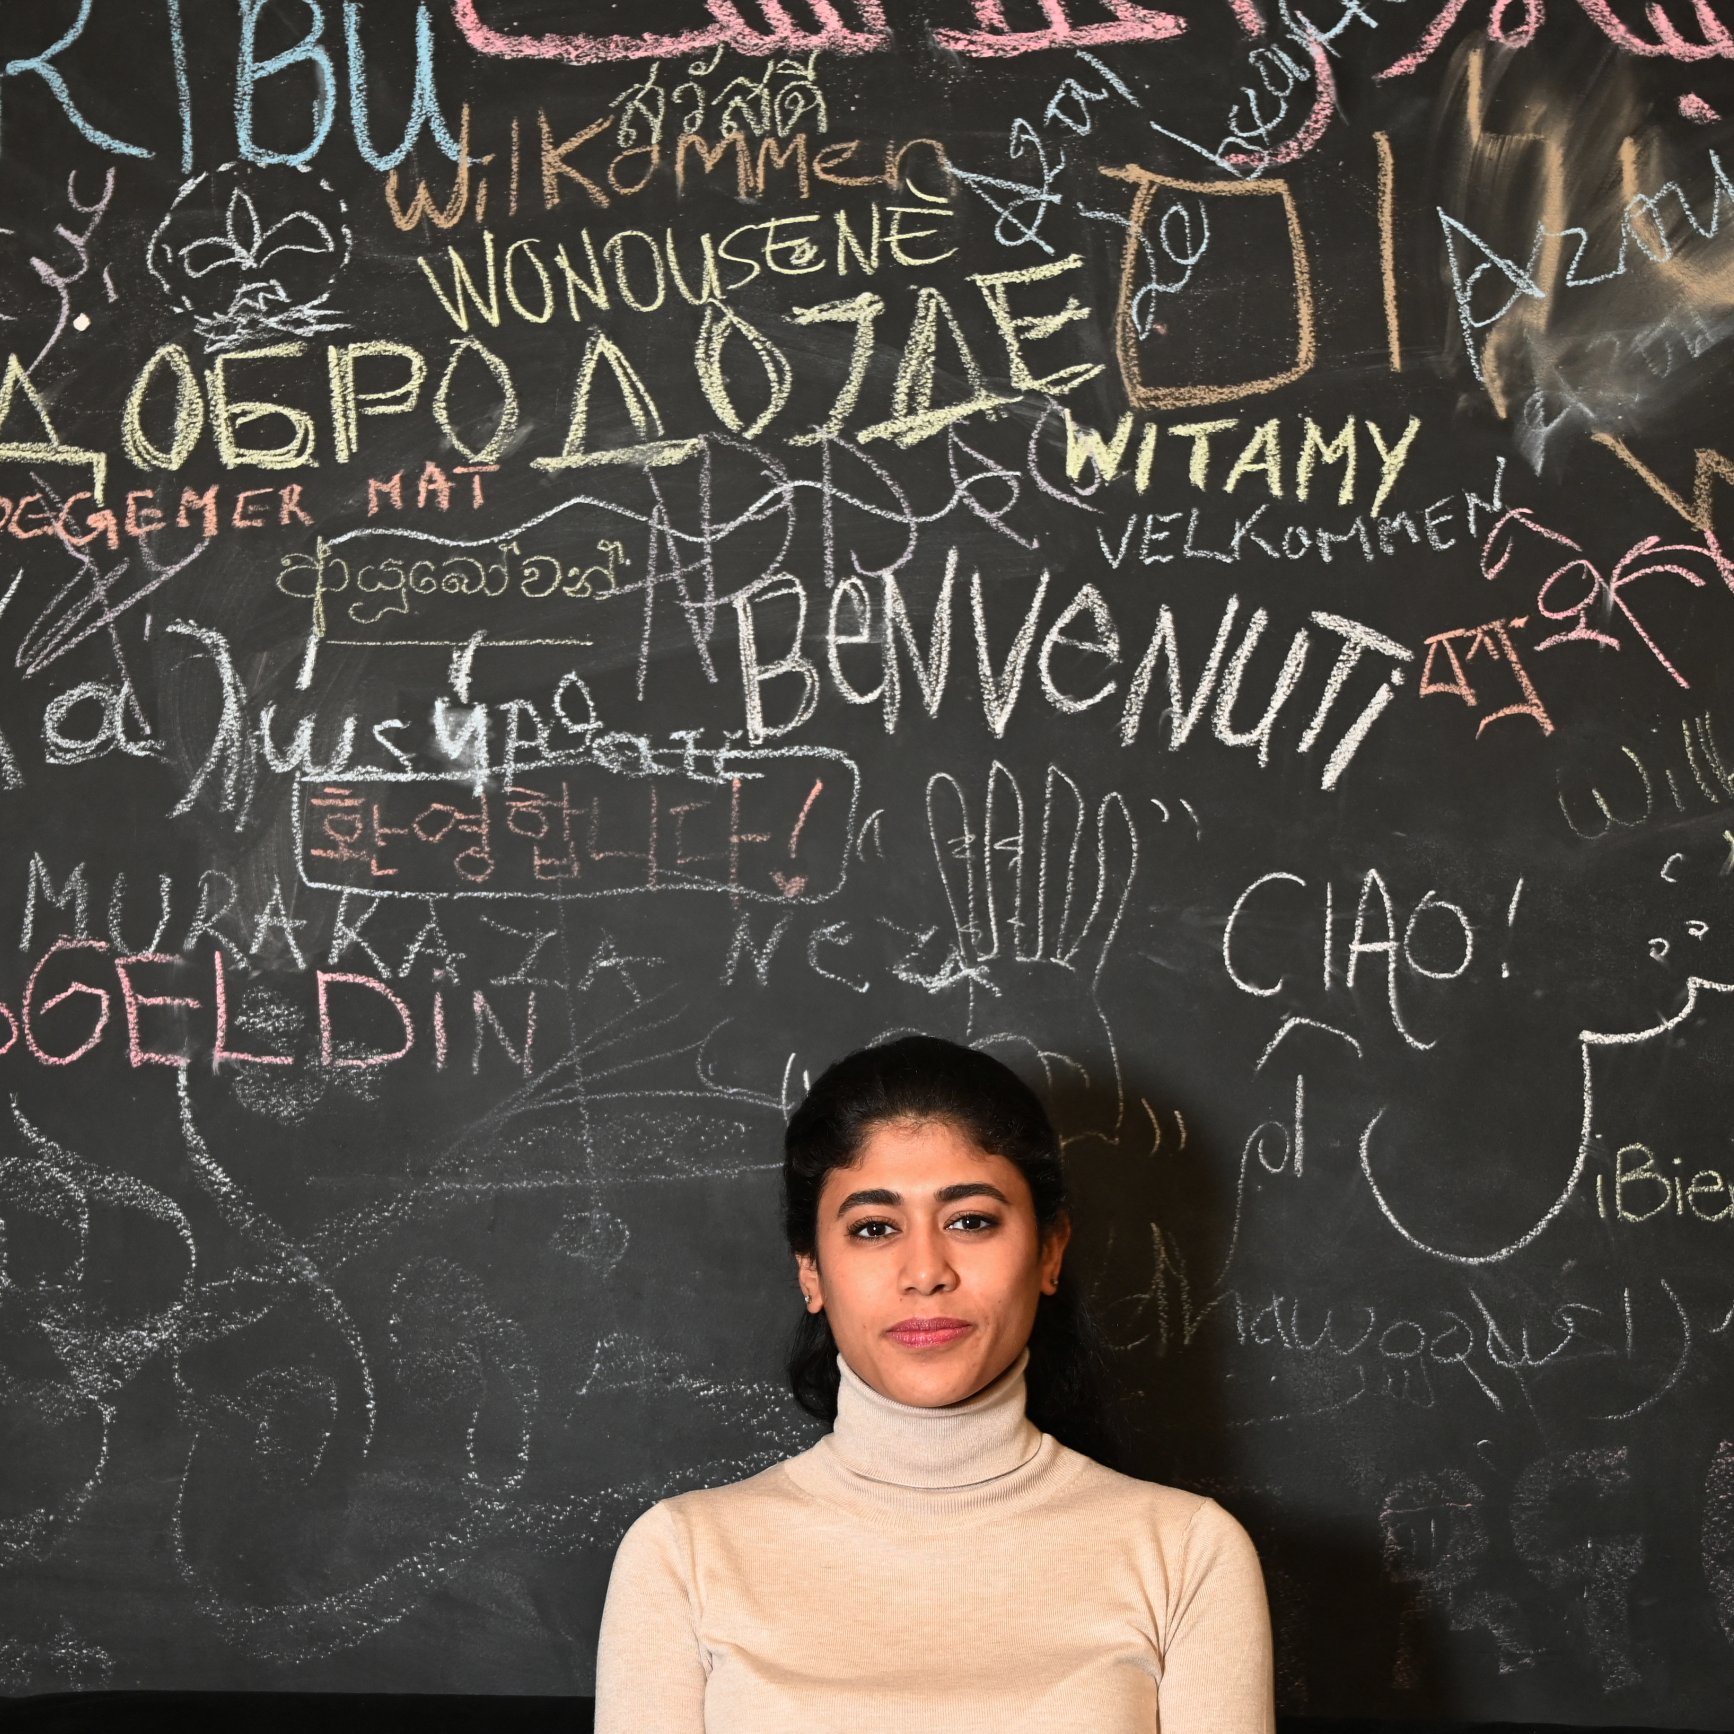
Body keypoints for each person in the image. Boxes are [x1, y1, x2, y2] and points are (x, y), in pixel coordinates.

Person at [593, 1033, 1276, 1733]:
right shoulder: (683, 1557)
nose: (925, 1271)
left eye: (971, 1221)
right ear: (810, 1271)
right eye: (873, 1228)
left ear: (1049, 1252)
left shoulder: (1186, 1554)